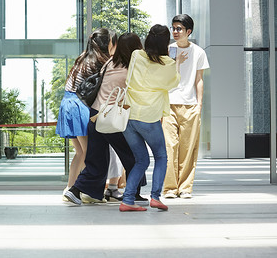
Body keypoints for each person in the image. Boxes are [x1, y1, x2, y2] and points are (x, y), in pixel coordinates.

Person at [64, 32, 144, 205]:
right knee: (133, 155)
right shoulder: (131, 67)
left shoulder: (109, 62)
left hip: (95, 114)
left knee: (97, 158)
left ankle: (76, 191)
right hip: (111, 117)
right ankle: (133, 193)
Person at [119, 25, 187, 212]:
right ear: (165, 42)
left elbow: (129, 78)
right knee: (161, 156)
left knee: (141, 160)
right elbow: (172, 83)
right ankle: (155, 197)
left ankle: (127, 200)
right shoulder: (168, 64)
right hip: (148, 117)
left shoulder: (136, 55)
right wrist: (178, 62)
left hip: (129, 117)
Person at [56, 28, 116, 197]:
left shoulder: (84, 56)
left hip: (67, 103)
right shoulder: (99, 61)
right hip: (78, 105)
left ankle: (69, 188)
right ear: (106, 44)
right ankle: (85, 192)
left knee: (81, 152)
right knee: (92, 154)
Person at [162, 14, 210, 199]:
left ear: (188, 31)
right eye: (173, 28)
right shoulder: (167, 50)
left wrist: (199, 106)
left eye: (179, 28)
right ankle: (169, 188)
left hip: (190, 105)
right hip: (168, 104)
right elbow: (164, 77)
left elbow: (199, 80)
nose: (175, 31)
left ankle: (185, 188)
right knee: (169, 146)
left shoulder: (198, 52)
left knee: (188, 148)